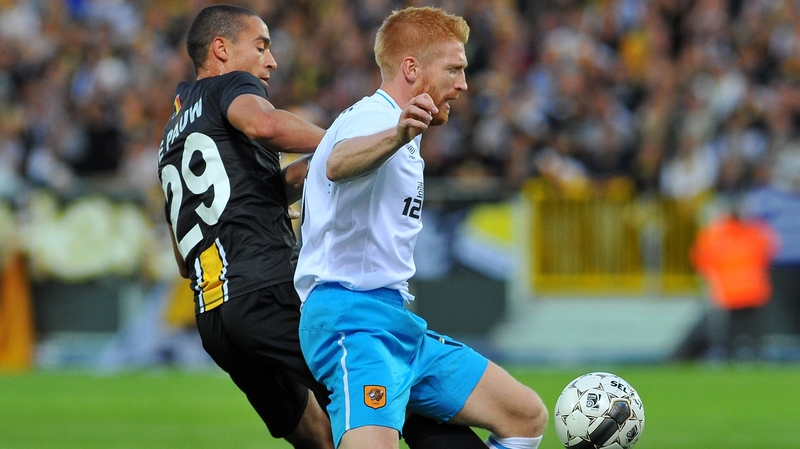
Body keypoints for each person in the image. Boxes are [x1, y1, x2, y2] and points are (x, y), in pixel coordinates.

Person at [157, 4, 488, 449]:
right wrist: (343, 137)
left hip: (215, 315)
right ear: (220, 49)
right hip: (267, 289)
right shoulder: (228, 87)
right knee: (391, 387)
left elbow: (184, 255)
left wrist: (302, 179)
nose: (270, 61)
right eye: (261, 46)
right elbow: (266, 123)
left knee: (318, 435)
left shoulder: (172, 136)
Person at [295, 6, 548, 449]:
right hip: (352, 323)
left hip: (394, 320)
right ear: (411, 68)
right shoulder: (375, 118)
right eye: (454, 69)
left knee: (524, 415)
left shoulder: (398, 130)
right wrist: (396, 134)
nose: (464, 84)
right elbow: (337, 163)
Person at [691, 200, 777, 360]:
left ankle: (731, 355)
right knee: (754, 328)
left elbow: (700, 259)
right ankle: (757, 355)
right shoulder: (753, 232)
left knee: (731, 328)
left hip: (729, 289)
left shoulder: (715, 234)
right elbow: (770, 249)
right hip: (752, 287)